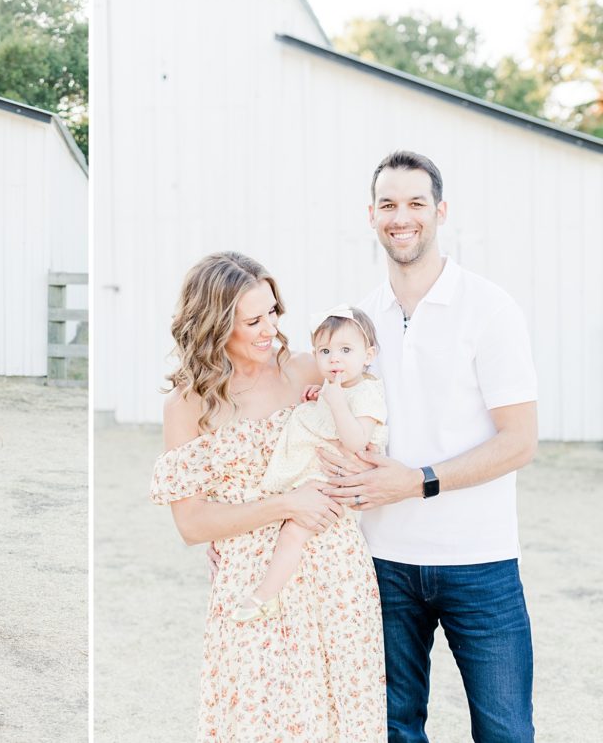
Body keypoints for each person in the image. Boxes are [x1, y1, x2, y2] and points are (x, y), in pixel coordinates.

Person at [317, 150, 538, 742]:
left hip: (480, 563)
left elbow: (520, 442)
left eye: (415, 203)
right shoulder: (358, 322)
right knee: (392, 729)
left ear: (440, 212)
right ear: (371, 216)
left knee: (506, 732)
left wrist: (420, 480)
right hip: (382, 562)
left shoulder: (490, 309)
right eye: (388, 204)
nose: (401, 217)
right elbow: (309, 415)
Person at [150, 252, 385, 742]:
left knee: (343, 715)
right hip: (254, 582)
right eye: (252, 320)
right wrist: (284, 505)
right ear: (215, 325)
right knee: (265, 721)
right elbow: (191, 525)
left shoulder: (307, 370)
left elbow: (365, 438)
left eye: (273, 313)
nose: (269, 329)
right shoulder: (188, 404)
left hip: (335, 568)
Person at [231, 305, 388, 622]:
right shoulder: (338, 388)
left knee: (292, 533)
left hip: (335, 484)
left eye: (346, 350)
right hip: (314, 475)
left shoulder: (368, 393)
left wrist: (335, 401)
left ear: (368, 354)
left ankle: (265, 595)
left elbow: (356, 440)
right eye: (325, 351)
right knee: (276, 527)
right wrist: (324, 396)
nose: (334, 359)